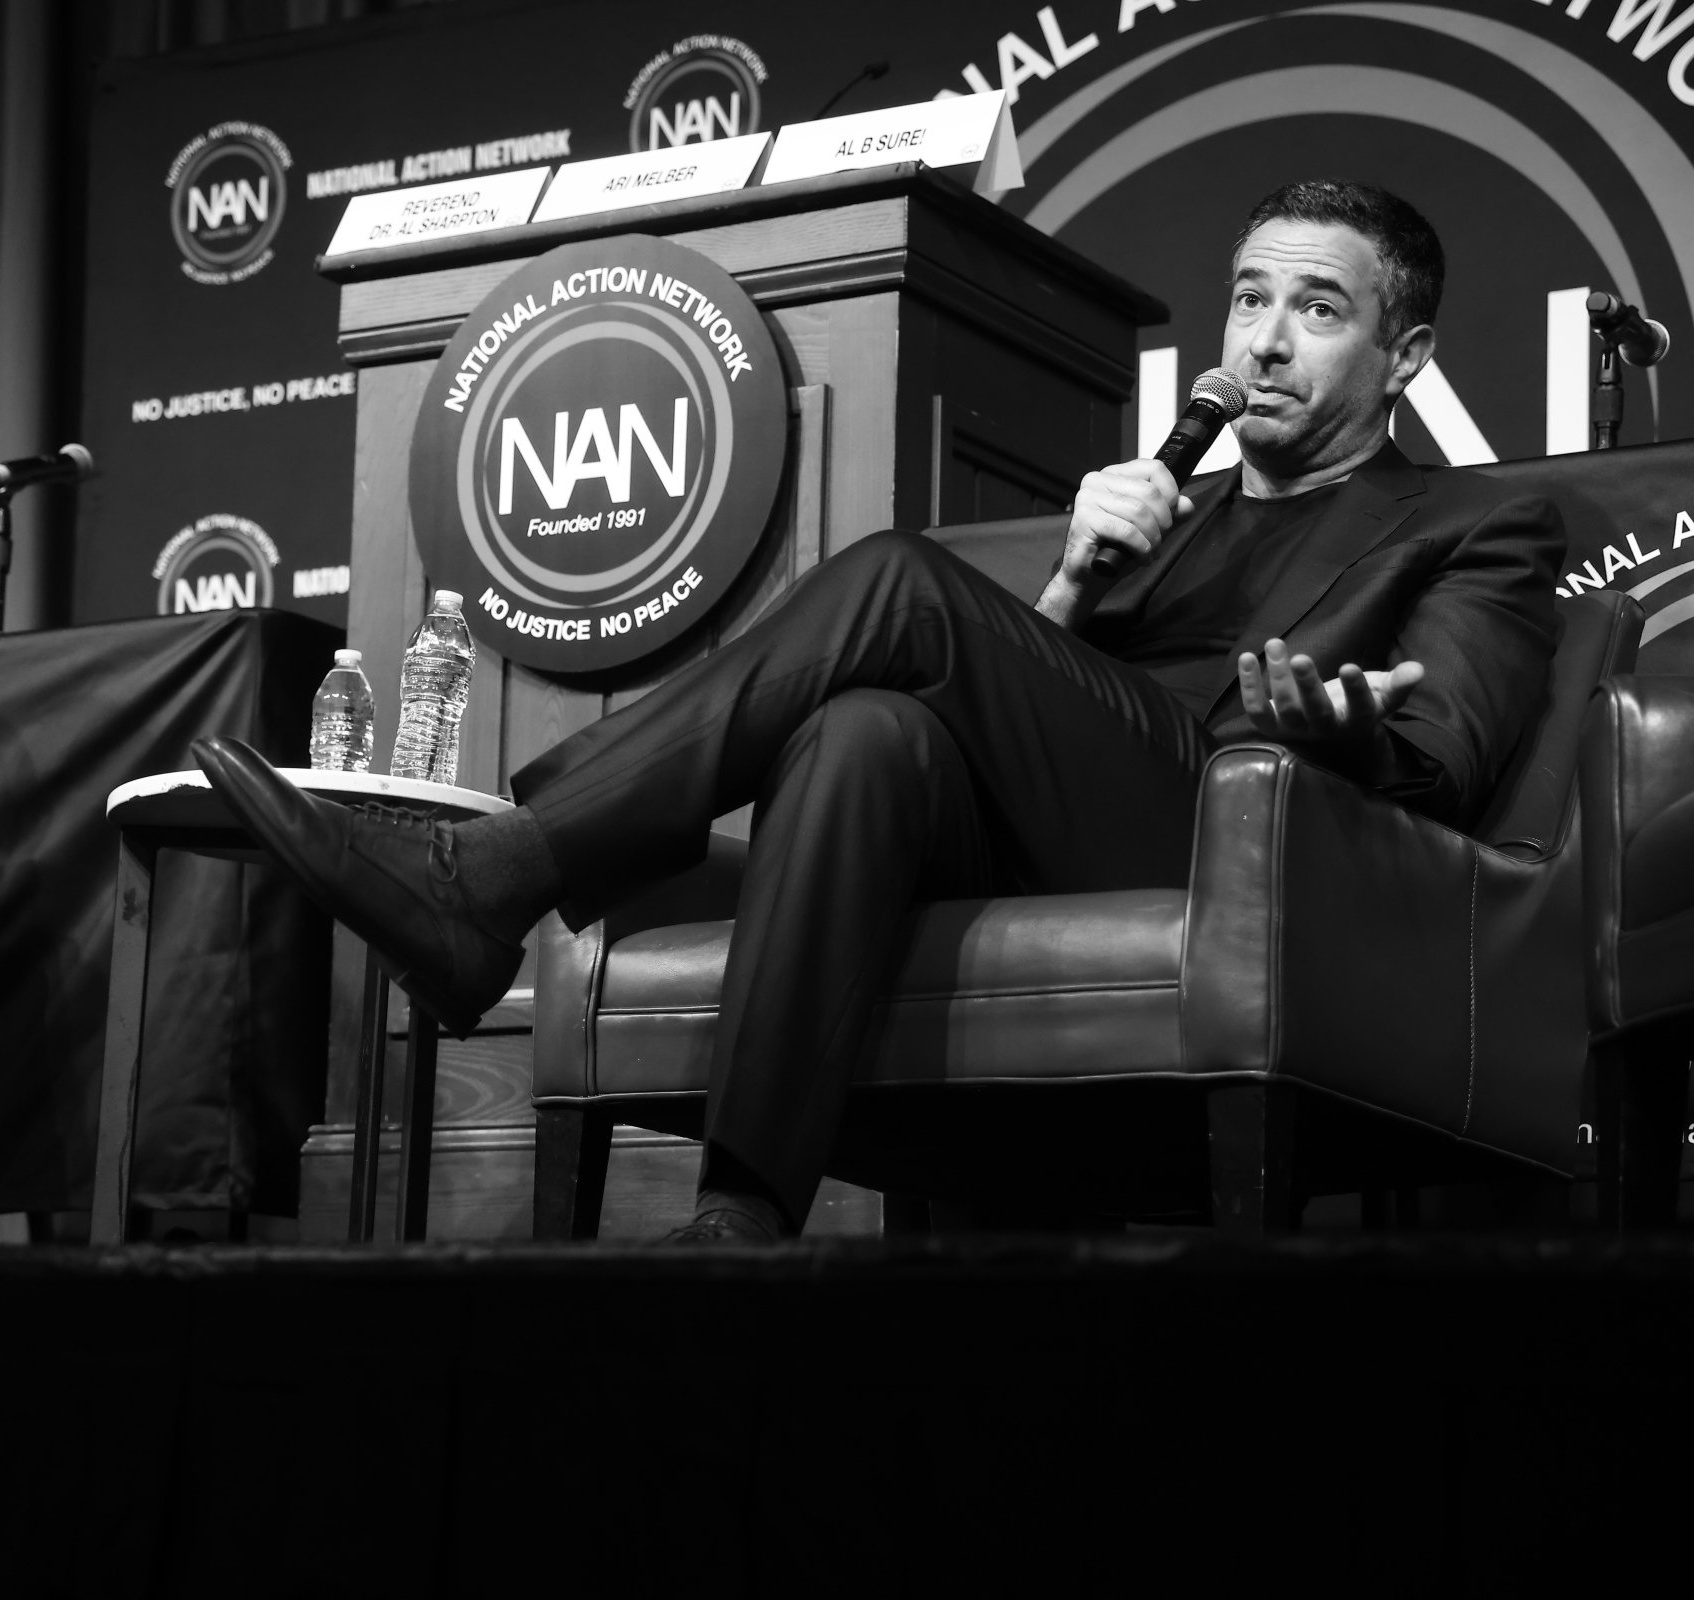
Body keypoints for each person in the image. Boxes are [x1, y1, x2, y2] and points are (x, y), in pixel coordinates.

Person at [194, 179, 1565, 1242]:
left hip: (1245, 844)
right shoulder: (1165, 514)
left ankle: (498, 871)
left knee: (907, 578)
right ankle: (741, 1212)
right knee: (868, 734)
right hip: (1076, 829)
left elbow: (1442, 760)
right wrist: (1079, 590)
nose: (1264, 343)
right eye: (1248, 299)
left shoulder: (1477, 520)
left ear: (1404, 353)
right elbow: (1003, 717)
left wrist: (1337, 730)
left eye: (1318, 310)